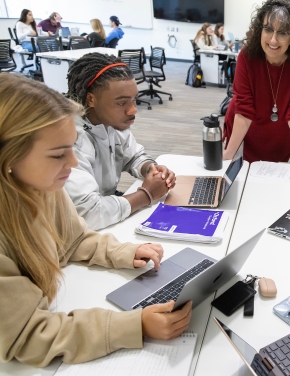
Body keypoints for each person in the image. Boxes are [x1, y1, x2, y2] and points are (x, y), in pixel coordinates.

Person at [0, 74, 192, 367]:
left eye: (72, 147)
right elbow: (27, 336)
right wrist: (133, 326)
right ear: (8, 159)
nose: (74, 163)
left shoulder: (41, 186)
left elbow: (73, 239)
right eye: (57, 155)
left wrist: (123, 252)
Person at [65, 53, 176, 231]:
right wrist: (146, 194)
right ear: (91, 99)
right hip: (81, 228)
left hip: (106, 208)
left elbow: (133, 156)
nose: (133, 110)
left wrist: (150, 169)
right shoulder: (68, 140)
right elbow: (87, 214)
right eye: (122, 102)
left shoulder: (111, 122)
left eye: (134, 100)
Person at [223, 0, 290, 167]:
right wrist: (228, 154)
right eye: (268, 29)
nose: (274, 40)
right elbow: (244, 109)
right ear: (259, 30)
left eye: (283, 33)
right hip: (244, 134)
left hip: (282, 137)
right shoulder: (247, 57)